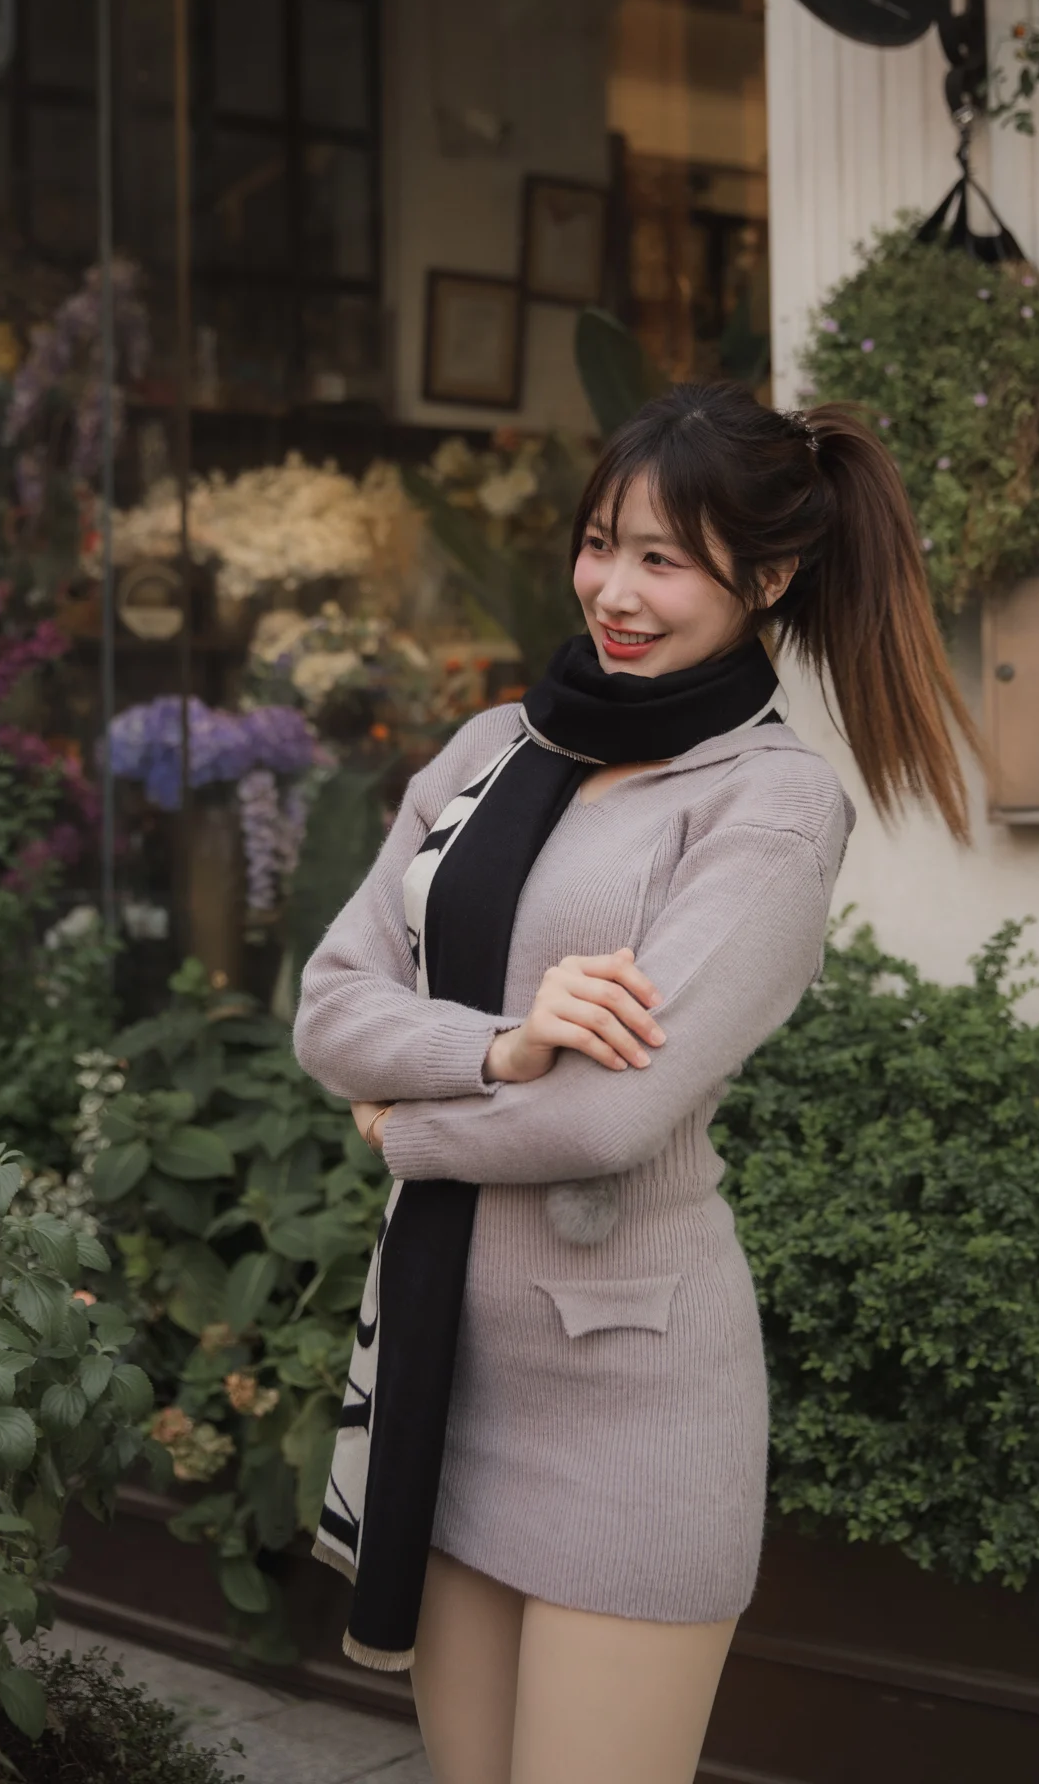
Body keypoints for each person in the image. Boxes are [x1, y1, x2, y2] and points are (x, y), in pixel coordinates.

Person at [292, 381, 978, 1784]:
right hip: (448, 1377)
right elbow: (330, 1006)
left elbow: (614, 1114)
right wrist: (498, 1045)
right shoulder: (492, 749)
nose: (615, 590)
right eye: (602, 543)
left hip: (632, 1407)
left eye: (663, 560)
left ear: (765, 579)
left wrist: (401, 1126)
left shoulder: (770, 803)